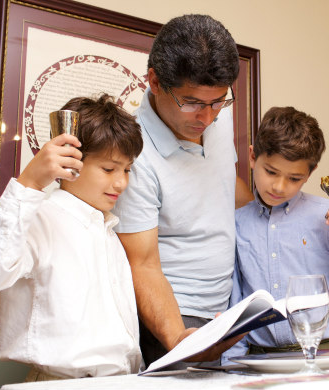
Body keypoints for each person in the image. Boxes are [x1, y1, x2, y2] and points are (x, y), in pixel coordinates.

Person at [0, 94, 144, 381]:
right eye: (109, 169)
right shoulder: (39, 218)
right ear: (70, 161)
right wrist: (30, 183)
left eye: (127, 170)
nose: (121, 182)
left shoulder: (107, 230)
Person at [111, 14, 253, 366]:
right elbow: (141, 263)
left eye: (218, 101)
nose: (206, 118)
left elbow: (221, 186)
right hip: (174, 319)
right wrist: (178, 337)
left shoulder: (214, 113)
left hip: (228, 307)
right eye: (191, 103)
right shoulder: (132, 152)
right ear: (155, 82)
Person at [222, 106, 329, 361]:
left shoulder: (327, 217)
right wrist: (230, 368)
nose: (279, 186)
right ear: (252, 157)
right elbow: (236, 305)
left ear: (310, 173)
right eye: (271, 172)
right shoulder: (237, 224)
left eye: (294, 178)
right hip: (261, 362)